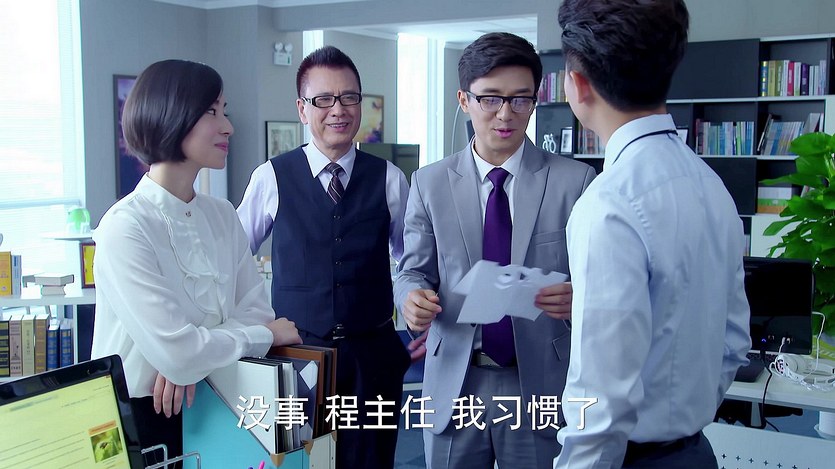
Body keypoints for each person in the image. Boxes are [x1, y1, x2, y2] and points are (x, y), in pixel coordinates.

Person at [552, 1, 751, 468]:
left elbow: (599, 401)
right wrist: (681, 414)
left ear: (577, 85)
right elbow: (734, 340)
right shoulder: (711, 184)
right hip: (695, 452)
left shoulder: (607, 204)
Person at [393, 32, 596, 469]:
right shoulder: (429, 183)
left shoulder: (575, 182)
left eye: (520, 99)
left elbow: (599, 280)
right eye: (490, 99)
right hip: (456, 379)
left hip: (538, 380)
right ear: (464, 100)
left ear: (535, 101)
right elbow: (412, 272)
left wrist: (580, 297)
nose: (506, 114)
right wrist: (409, 298)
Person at [91, 59, 302, 467]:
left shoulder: (222, 215)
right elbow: (187, 351)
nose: (228, 127)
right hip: (139, 420)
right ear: (170, 115)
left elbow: (253, 312)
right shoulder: (125, 227)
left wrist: (190, 359)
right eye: (212, 112)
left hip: (216, 401)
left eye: (224, 111)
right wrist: (188, 355)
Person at [237, 46, 412, 469]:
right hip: (297, 360)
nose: (338, 109)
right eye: (323, 100)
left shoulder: (389, 179)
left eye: (349, 97)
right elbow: (233, 260)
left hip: (372, 360)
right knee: (302, 463)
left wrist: (416, 313)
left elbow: (413, 261)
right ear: (302, 109)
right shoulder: (271, 177)